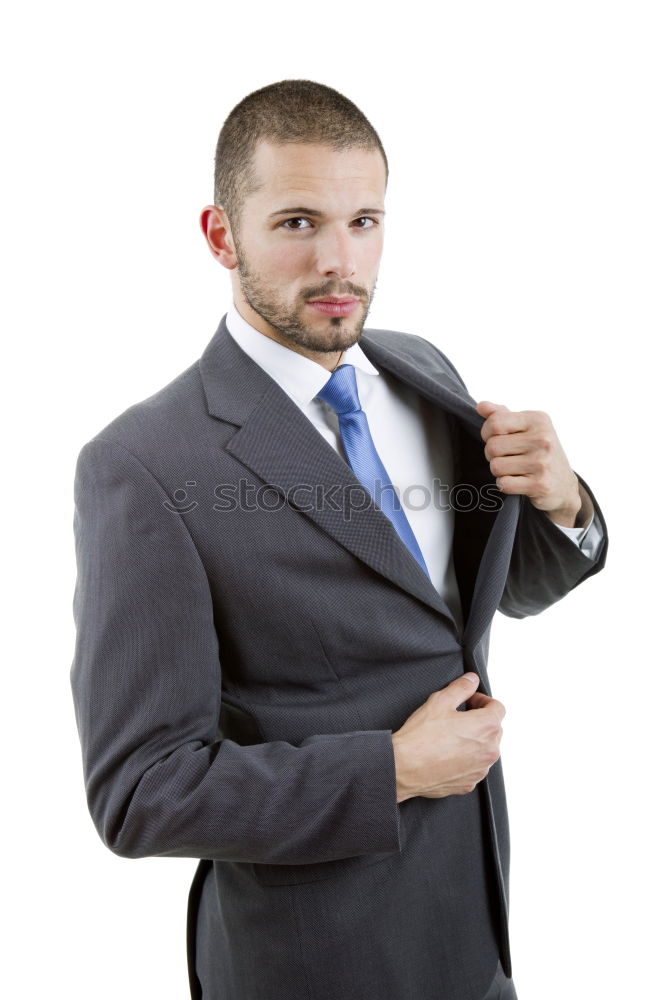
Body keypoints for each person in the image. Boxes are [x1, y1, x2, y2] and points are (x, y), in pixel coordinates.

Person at [70, 79, 607, 1000]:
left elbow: (466, 602)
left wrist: (565, 505)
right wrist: (392, 771)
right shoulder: (143, 463)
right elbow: (141, 792)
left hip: (477, 930)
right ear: (220, 235)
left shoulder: (421, 367)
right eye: (296, 223)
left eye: (364, 221)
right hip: (313, 960)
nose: (339, 262)